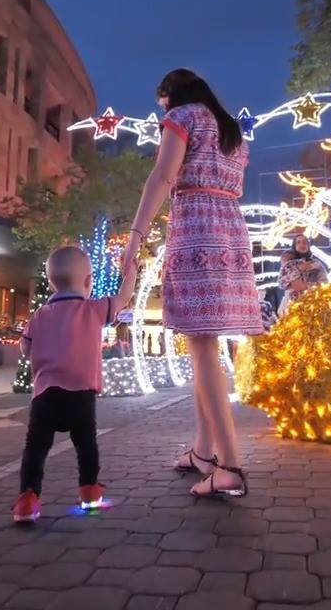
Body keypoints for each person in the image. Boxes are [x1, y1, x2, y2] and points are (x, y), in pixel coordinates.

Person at [123, 68, 261, 497]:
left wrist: (136, 235)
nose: (161, 108)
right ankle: (203, 452)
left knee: (201, 346)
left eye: (161, 100)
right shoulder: (232, 132)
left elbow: (163, 177)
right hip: (231, 231)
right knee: (205, 344)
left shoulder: (182, 116)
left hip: (196, 225)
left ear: (170, 94)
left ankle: (231, 467)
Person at [12, 246, 137, 524]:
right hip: (81, 393)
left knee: (36, 448)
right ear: (89, 281)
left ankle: (27, 499)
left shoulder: (40, 315)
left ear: (51, 281)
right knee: (86, 444)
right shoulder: (93, 309)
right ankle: (89, 492)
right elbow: (124, 298)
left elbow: (24, 349)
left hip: (45, 394)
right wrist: (130, 271)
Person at [278, 234, 326, 315]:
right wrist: (298, 269)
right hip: (292, 306)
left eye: (304, 242)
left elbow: (324, 282)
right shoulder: (288, 264)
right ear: (294, 246)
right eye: (298, 242)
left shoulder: (316, 264)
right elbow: (281, 283)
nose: (302, 245)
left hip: (312, 304)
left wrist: (309, 287)